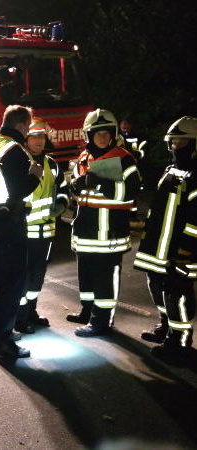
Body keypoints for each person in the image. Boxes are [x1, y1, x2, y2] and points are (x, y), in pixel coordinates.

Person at [66, 109, 141, 336]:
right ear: (89, 135)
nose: (102, 138)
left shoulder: (124, 158)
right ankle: (87, 311)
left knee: (105, 280)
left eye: (106, 133)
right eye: (97, 134)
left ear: (113, 133)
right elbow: (76, 192)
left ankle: (102, 322)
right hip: (86, 232)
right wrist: (74, 186)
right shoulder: (84, 157)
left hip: (109, 235)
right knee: (86, 276)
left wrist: (100, 183)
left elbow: (131, 192)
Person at [0, 105, 42, 358]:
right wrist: (35, 175)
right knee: (11, 281)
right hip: (10, 220)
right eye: (27, 127)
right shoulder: (14, 150)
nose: (28, 132)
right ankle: (1, 341)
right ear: (21, 126)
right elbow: (19, 189)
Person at [133, 116, 197, 362]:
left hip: (181, 250)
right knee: (157, 284)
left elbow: (195, 222)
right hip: (160, 247)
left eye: (180, 142)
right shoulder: (173, 168)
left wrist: (185, 250)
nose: (174, 147)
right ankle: (166, 326)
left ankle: (180, 344)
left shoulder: (195, 175)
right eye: (172, 142)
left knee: (178, 293)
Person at [15, 117, 69, 333]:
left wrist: (62, 203)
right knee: (23, 276)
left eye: (42, 136)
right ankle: (19, 317)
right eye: (34, 136)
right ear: (26, 138)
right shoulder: (19, 162)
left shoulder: (52, 164)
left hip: (46, 230)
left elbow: (62, 187)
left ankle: (31, 311)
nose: (39, 140)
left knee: (37, 275)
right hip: (24, 231)